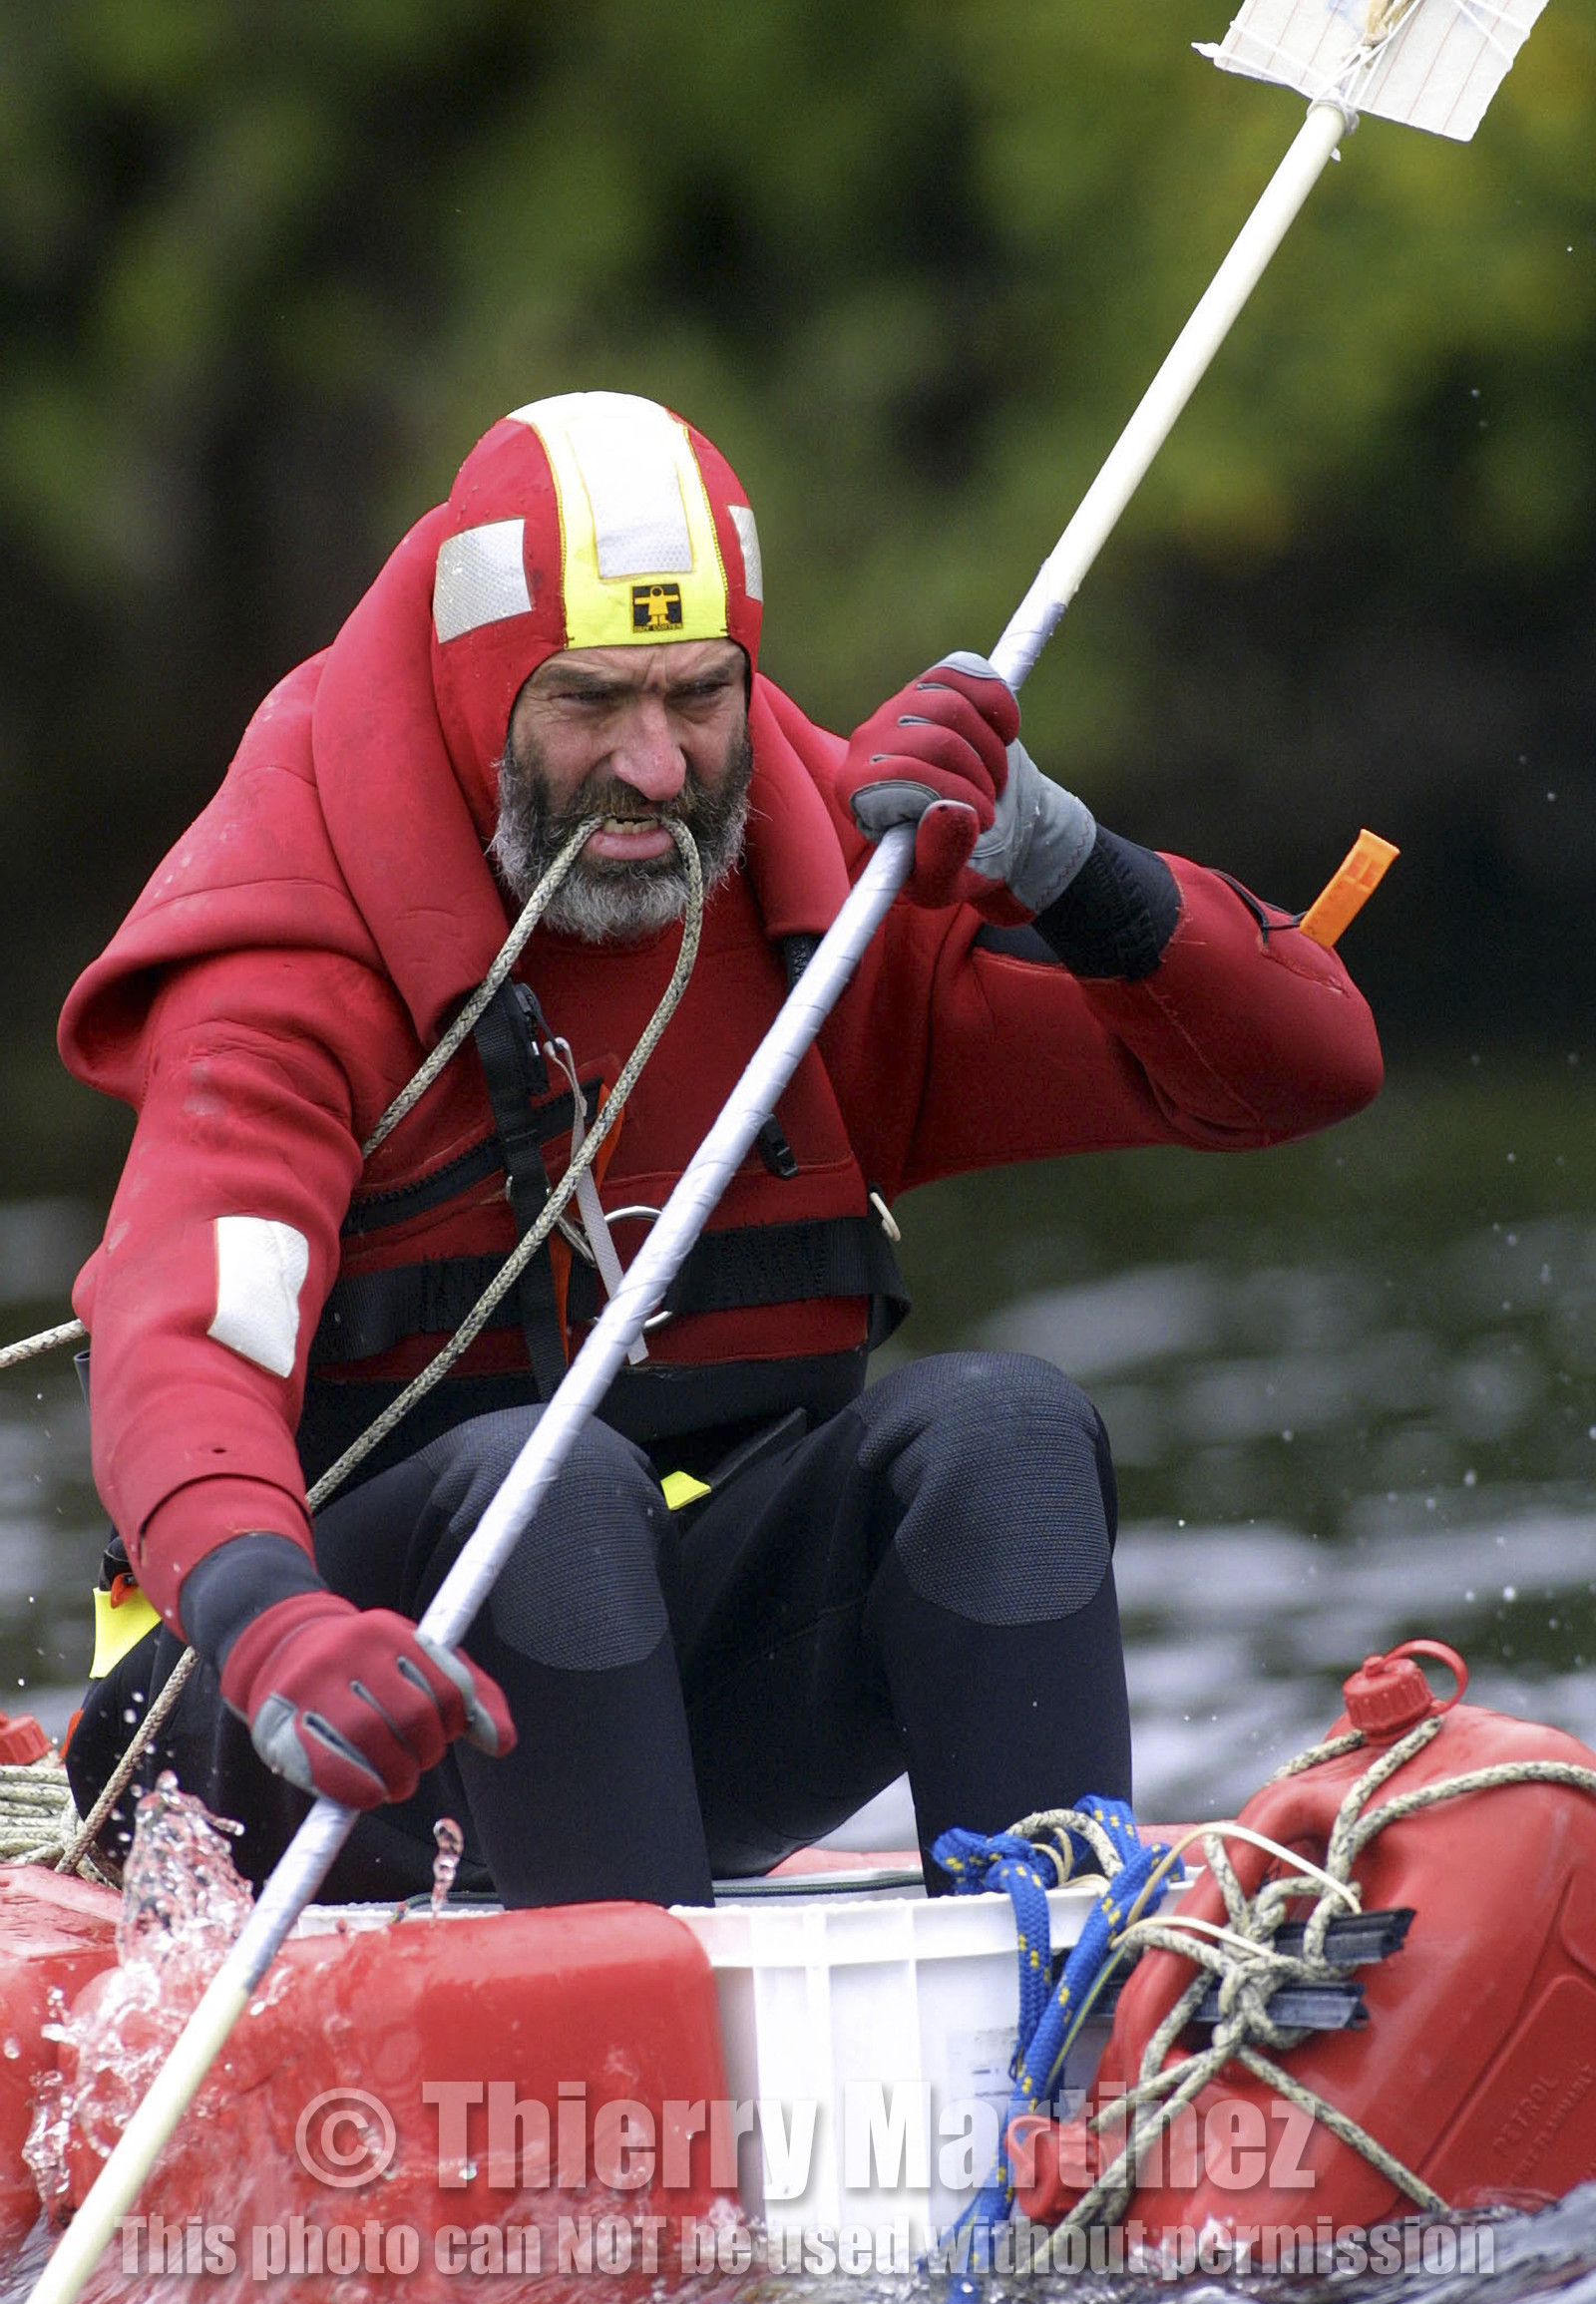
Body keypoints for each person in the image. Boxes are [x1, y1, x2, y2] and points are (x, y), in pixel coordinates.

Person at [60, 390, 1382, 1906]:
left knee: (1005, 1432)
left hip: (656, 1701)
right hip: (277, 1722)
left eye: (698, 698)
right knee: (537, 1486)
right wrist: (277, 1621)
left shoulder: (819, 879)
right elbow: (186, 1343)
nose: (656, 766)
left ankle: (1068, 2004)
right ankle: (624, 2053)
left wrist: (1063, 859)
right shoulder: (289, 944)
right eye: (588, 702)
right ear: (472, 695)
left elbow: (1304, 1075)